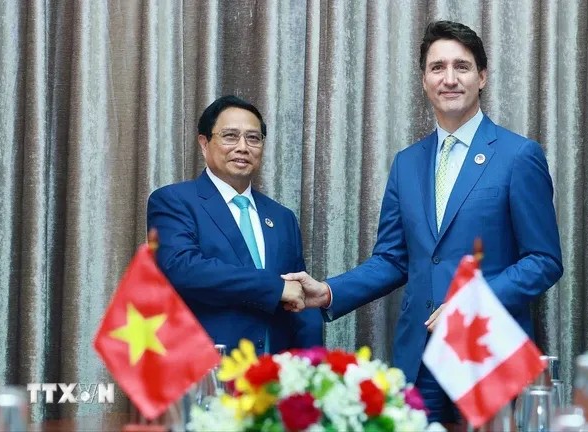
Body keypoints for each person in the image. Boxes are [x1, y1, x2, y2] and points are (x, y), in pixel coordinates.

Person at [283, 20, 563, 426]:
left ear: (482, 77)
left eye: (462, 67)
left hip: (488, 353)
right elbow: (393, 260)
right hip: (420, 359)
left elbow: (543, 259)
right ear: (424, 80)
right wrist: (327, 291)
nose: (449, 79)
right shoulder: (406, 163)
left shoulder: (519, 155)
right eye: (437, 68)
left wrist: (472, 304)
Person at [147, 95, 323, 355]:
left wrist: (313, 371)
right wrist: (273, 288)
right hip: (206, 372)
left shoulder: (282, 217)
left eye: (253, 138)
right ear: (204, 143)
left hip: (275, 378)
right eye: (230, 136)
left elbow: (300, 299)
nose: (243, 147)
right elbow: (182, 269)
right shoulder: (173, 201)